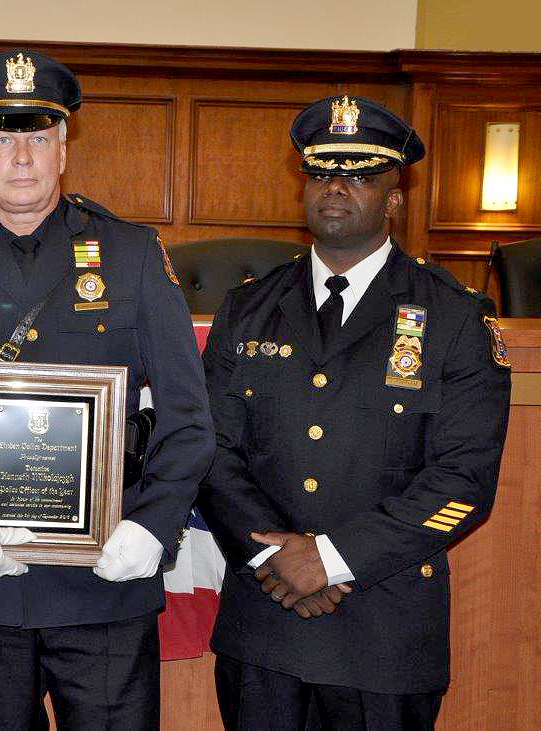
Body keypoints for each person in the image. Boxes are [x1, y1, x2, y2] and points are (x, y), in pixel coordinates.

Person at [0, 50, 213, 729]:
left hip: (107, 583)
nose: (20, 155)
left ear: (62, 149)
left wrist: (153, 524)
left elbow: (189, 419)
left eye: (38, 135)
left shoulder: (133, 255)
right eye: (2, 135)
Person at [197, 94, 512, 729]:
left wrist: (330, 558)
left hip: (385, 631)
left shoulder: (455, 316)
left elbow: (463, 481)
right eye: (321, 172)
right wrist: (274, 557)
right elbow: (210, 449)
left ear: (395, 198)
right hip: (266, 624)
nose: (335, 188)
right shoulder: (247, 309)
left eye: (360, 174)